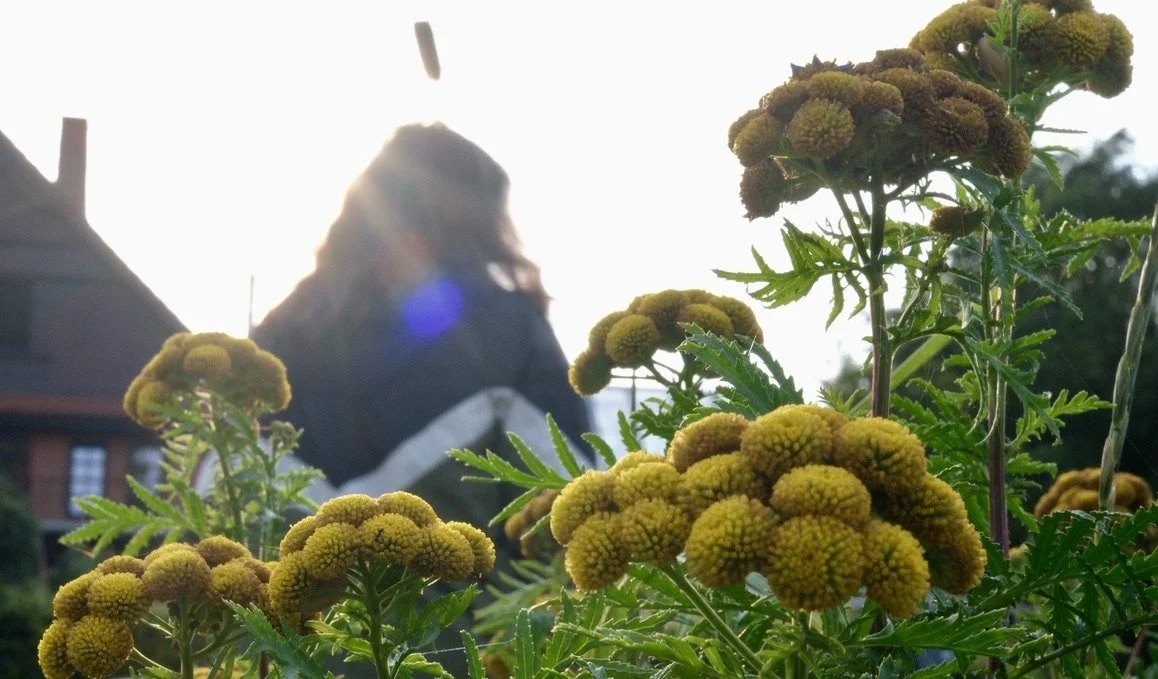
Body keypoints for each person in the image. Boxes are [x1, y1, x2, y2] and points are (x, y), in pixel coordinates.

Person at [253, 121, 592, 540]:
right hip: (477, 600)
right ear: (476, 225)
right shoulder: (504, 331)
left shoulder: (273, 343)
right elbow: (579, 500)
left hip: (306, 600)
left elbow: (228, 508)